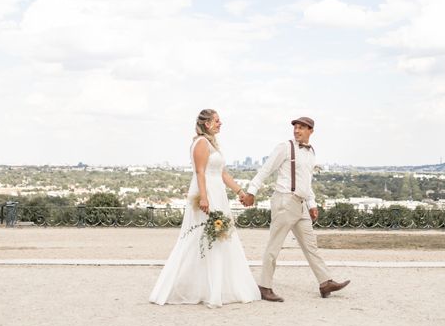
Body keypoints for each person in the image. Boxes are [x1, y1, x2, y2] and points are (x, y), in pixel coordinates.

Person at [149, 109, 261, 308]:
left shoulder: (212, 144)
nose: (220, 123)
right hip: (207, 193)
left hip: (218, 193)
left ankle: (213, 287)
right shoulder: (201, 143)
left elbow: (222, 173)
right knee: (197, 237)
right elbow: (200, 172)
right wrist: (204, 197)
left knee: (218, 237)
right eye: (217, 121)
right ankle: (176, 287)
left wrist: (240, 192)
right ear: (207, 123)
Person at [241, 116, 350, 302]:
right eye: (296, 127)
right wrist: (251, 191)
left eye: (302, 128)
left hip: (301, 204)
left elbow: (307, 181)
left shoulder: (311, 152)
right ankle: (264, 287)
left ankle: (325, 282)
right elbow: (266, 170)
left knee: (311, 245)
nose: (297, 130)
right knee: (274, 246)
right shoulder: (285, 147)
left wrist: (312, 204)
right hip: (284, 201)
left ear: (311, 131)